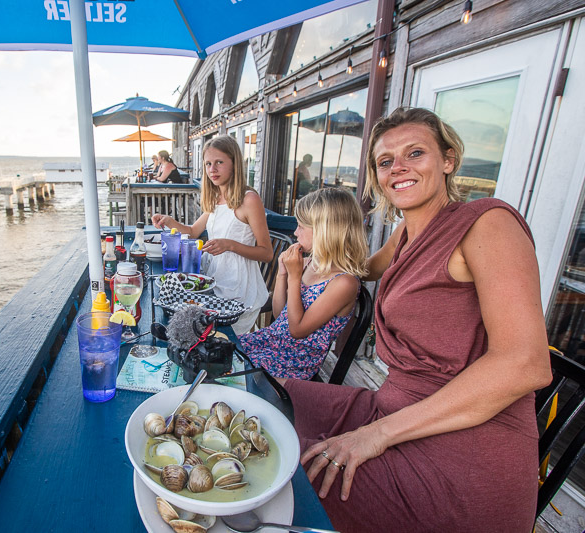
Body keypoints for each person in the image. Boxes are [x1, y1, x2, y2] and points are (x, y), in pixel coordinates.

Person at [284, 107, 552, 532]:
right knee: (269, 395)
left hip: (465, 452)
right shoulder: (406, 234)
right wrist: (315, 258)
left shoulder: (488, 223)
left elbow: (525, 364)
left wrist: (374, 436)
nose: (398, 168)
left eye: (415, 153)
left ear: (448, 160)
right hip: (393, 407)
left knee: (281, 476)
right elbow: (363, 269)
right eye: (386, 161)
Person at [238, 188, 367, 381]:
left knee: (225, 370)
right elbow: (279, 314)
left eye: (301, 227)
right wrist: (283, 274)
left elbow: (297, 330)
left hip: (291, 363)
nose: (295, 232)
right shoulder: (309, 264)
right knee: (218, 350)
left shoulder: (344, 283)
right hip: (271, 343)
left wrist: (294, 277)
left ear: (325, 231)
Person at [152, 135, 272, 334]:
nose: (212, 170)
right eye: (208, 164)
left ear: (234, 164)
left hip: (238, 289)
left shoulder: (249, 199)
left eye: (219, 163)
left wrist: (230, 245)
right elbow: (192, 232)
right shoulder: (216, 197)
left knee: (216, 340)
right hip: (212, 280)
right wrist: (169, 221)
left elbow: (267, 253)